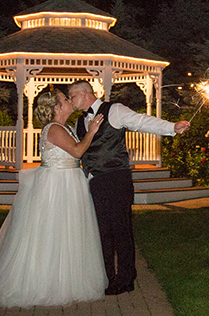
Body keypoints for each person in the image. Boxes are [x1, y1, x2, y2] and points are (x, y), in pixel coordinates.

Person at [0, 89, 107, 308]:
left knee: (68, 232)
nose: (69, 101)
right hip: (56, 186)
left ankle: (67, 279)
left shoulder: (66, 127)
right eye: (65, 99)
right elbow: (78, 151)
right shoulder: (53, 129)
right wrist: (91, 131)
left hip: (70, 183)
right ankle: (45, 282)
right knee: (52, 233)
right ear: (56, 108)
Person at [68, 80, 190, 295]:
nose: (70, 101)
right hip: (93, 182)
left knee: (120, 230)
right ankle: (108, 278)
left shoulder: (114, 110)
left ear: (84, 93)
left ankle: (126, 278)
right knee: (102, 232)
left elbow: (142, 122)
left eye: (72, 96)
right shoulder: (79, 123)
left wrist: (172, 127)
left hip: (116, 179)